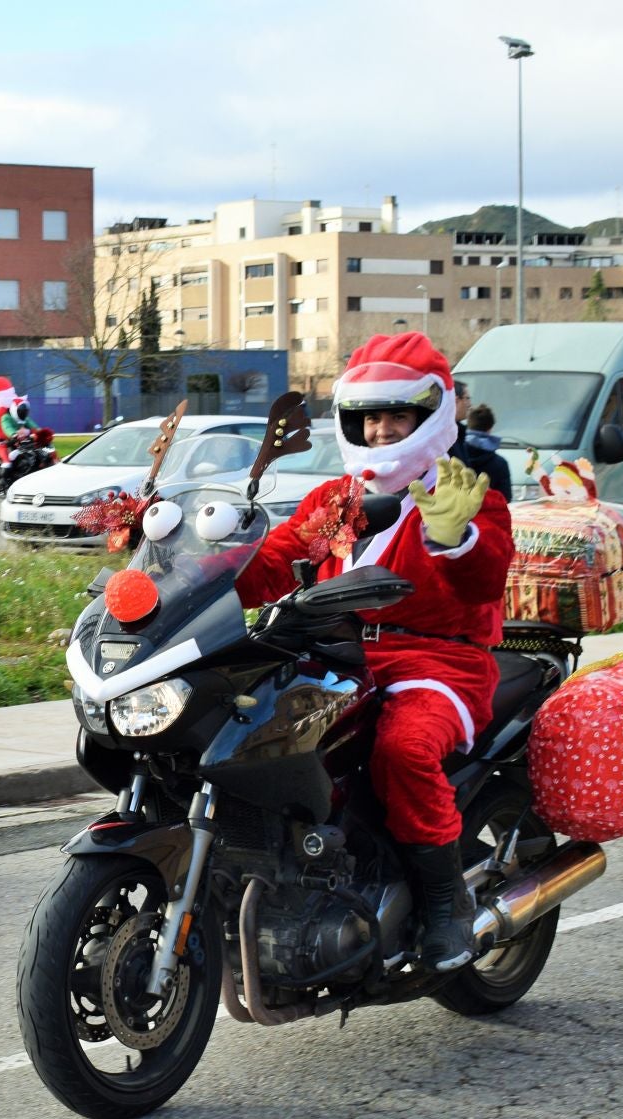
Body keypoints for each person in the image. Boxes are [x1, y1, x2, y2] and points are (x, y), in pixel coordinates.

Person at [236, 332, 514, 971]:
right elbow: (281, 559)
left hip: (439, 662)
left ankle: (447, 902)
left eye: (397, 416)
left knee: (402, 749)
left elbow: (485, 578)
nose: (382, 430)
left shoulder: (462, 494)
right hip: (338, 659)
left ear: (428, 418)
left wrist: (457, 537)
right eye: (370, 418)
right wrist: (192, 572)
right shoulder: (342, 501)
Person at [453, 403, 514, 496]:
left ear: (469, 425)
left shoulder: (455, 455)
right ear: (490, 428)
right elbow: (506, 497)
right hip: (489, 509)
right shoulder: (500, 464)